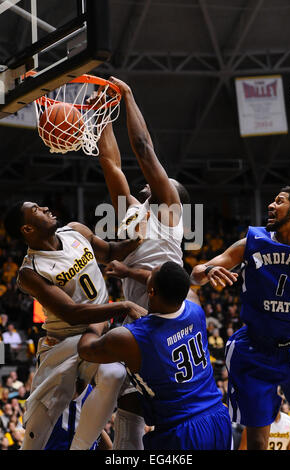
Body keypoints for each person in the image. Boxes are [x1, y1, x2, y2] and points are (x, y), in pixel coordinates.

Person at [71, 76, 194, 451]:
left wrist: (126, 97)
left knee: (159, 417)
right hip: (142, 319)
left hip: (164, 319)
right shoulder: (131, 215)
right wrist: (105, 114)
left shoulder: (170, 213)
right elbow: (111, 163)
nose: (155, 182)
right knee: (129, 417)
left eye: (163, 183)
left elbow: (142, 148)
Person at [3, 200, 146, 450]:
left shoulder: (74, 230)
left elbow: (111, 252)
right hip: (63, 343)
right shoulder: (31, 271)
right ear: (27, 229)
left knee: (114, 373)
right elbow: (72, 312)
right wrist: (123, 306)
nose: (46, 208)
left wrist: (137, 239)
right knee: (35, 435)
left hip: (98, 330)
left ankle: (80, 448)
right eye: (36, 210)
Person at [78, 261, 232, 450]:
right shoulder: (194, 303)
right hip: (218, 417)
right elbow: (170, 283)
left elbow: (85, 349)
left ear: (151, 292)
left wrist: (102, 316)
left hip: (182, 432)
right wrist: (128, 272)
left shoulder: (132, 337)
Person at [191, 186, 290, 450]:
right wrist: (208, 271)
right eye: (272, 201)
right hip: (255, 348)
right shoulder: (253, 240)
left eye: (279, 201)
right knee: (257, 441)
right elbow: (196, 273)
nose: (271, 206)